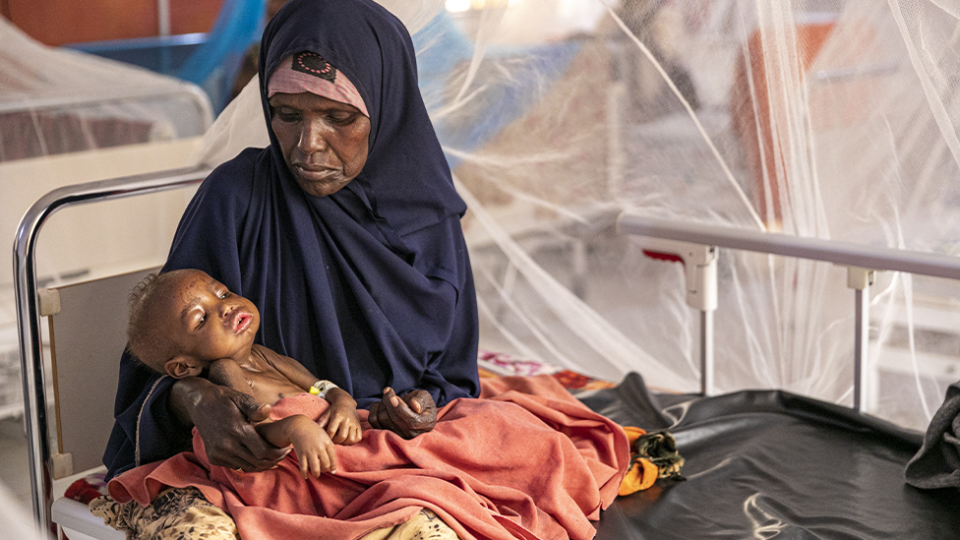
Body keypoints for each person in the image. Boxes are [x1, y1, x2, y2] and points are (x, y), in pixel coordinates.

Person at [104, 0, 481, 480]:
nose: (307, 145)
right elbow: (162, 348)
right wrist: (194, 399)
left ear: (387, 106)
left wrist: (419, 406)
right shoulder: (236, 198)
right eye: (285, 115)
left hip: (395, 448)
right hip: (282, 457)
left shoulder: (428, 216)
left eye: (340, 118)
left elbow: (452, 376)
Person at [126, 268, 362, 478]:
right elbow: (257, 435)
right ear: (184, 367)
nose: (225, 307)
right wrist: (296, 427)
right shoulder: (225, 370)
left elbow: (319, 387)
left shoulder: (264, 355)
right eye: (201, 319)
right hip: (303, 464)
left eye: (223, 294)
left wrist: (343, 404)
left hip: (333, 438)